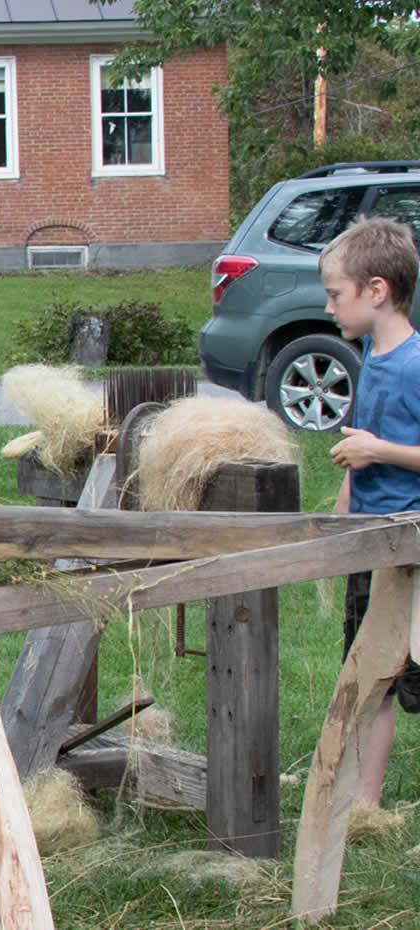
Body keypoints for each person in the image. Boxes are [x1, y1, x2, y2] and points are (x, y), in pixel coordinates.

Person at [323, 215, 420, 810]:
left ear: (376, 290)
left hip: (412, 550)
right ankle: (364, 804)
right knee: (368, 682)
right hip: (369, 544)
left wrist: (378, 451)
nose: (329, 306)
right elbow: (359, 457)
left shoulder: (414, 363)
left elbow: (374, 448)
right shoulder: (370, 358)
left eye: (336, 294)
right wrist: (339, 523)